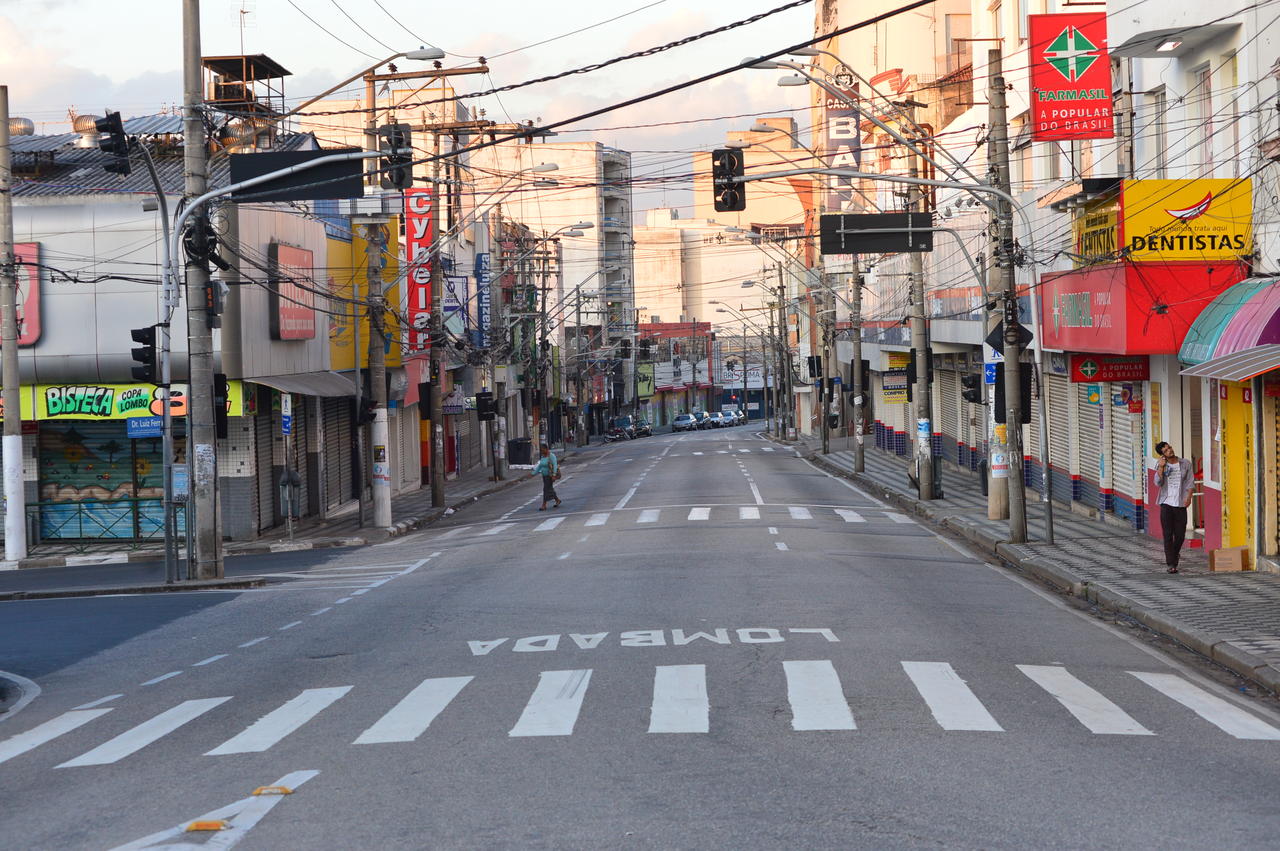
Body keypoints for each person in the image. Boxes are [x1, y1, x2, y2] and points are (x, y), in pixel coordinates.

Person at [1154, 441, 1194, 573]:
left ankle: (1174, 554)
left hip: (1180, 503)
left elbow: (1190, 482)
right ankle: (1171, 564)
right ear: (1162, 455)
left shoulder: (1185, 463)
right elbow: (1158, 482)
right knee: (1167, 534)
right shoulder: (1161, 465)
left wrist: (1189, 498)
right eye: (1165, 450)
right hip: (1166, 503)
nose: (1169, 450)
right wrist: (1161, 467)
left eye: (1169, 448)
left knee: (1180, 535)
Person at [532, 444, 561, 511]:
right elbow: (540, 466)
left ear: (546, 449)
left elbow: (555, 465)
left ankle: (544, 505)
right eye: (541, 450)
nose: (541, 451)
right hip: (544, 476)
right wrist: (533, 473)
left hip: (550, 476)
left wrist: (554, 475)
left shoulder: (551, 456)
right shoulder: (543, 457)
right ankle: (557, 500)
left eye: (542, 450)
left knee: (545, 489)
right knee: (549, 489)